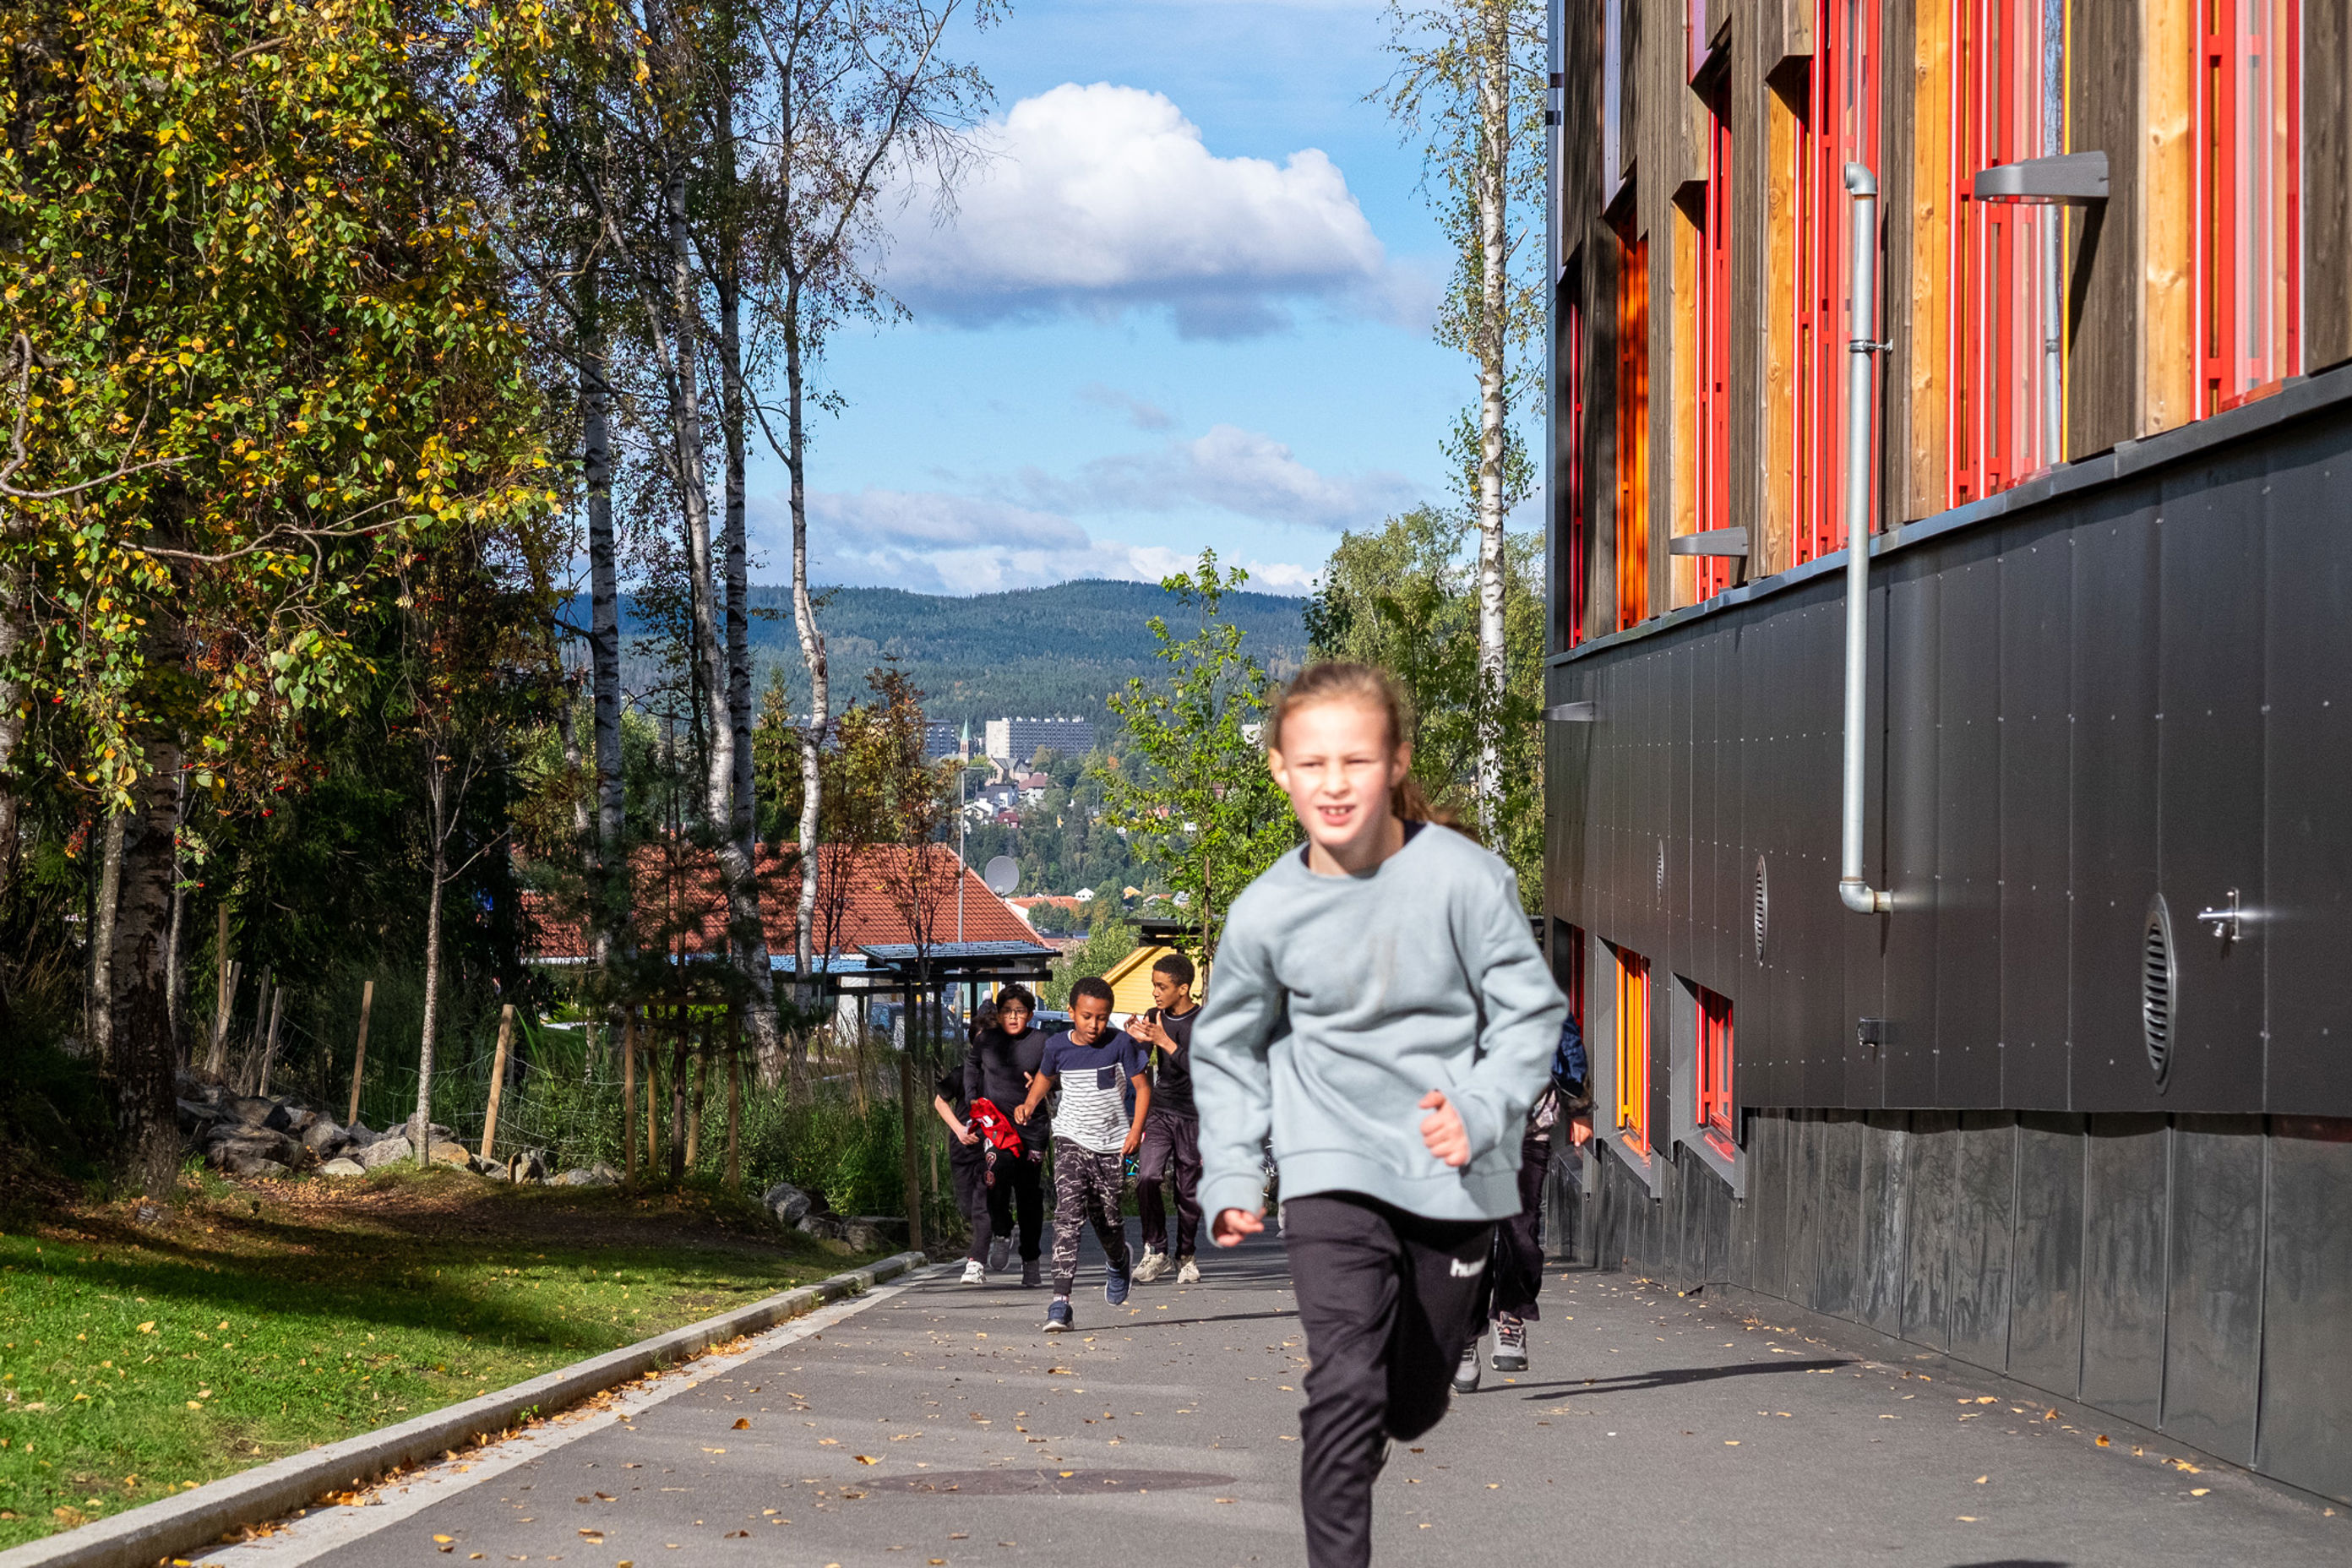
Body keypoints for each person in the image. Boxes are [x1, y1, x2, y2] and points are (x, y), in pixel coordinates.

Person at [1193, 662, 1565, 1568]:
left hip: (1451, 1171)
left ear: (1395, 762)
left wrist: (1481, 1107)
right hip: (1329, 1171)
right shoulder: (1266, 909)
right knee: (1343, 1387)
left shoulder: (1465, 877)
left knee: (1409, 1401)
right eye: (1310, 760)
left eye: (1355, 758)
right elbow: (1229, 1044)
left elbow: (1531, 1012)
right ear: (1279, 769)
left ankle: (1430, 1363)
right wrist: (1237, 1169)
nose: (1332, 781)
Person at [1453, 1009, 1585, 1387]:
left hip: (1529, 1133)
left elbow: (1568, 1043)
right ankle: (1465, 1338)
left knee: (1522, 1235)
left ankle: (1510, 1315)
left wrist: (1580, 1106)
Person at [1014, 976, 1150, 1332]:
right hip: (1070, 1137)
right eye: (1087, 1016)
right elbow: (1045, 1076)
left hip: (1112, 1144)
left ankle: (1119, 1258)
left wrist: (1135, 1131)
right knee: (1067, 1216)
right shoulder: (1058, 1045)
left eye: (1102, 1017)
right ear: (1072, 1011)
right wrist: (1029, 1103)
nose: (1094, 1025)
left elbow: (1142, 1087)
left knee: (1107, 1218)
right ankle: (1060, 1303)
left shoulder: (1121, 1044)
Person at [965, 985, 1049, 1287]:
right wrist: (972, 1096)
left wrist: (1042, 1083)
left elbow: (1057, 1074)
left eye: (1020, 1012)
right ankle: (1002, 1230)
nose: (1014, 1018)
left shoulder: (1041, 1042)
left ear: (1031, 1013)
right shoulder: (987, 1040)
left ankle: (1031, 1260)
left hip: (1032, 1130)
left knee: (1028, 1197)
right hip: (997, 1126)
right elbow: (972, 1065)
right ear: (998, 1014)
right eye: (1007, 1012)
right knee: (994, 1180)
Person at [1129, 951, 1205, 1284]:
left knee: (1187, 1192)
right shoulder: (1153, 1015)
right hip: (1161, 1110)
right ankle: (1156, 1248)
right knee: (1147, 1177)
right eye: (1154, 986)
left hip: (1194, 1115)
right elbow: (1140, 1061)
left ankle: (1185, 1254)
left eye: (1162, 986)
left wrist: (1165, 1041)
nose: (1156, 993)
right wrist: (1136, 1042)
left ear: (1183, 989)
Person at [939, 1002, 999, 1285]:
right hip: (962, 1147)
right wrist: (959, 1130)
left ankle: (975, 1263)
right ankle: (1000, 1231)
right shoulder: (961, 1073)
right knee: (967, 1208)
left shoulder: (1003, 1077)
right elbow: (940, 1102)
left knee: (981, 1207)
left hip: (993, 1151)